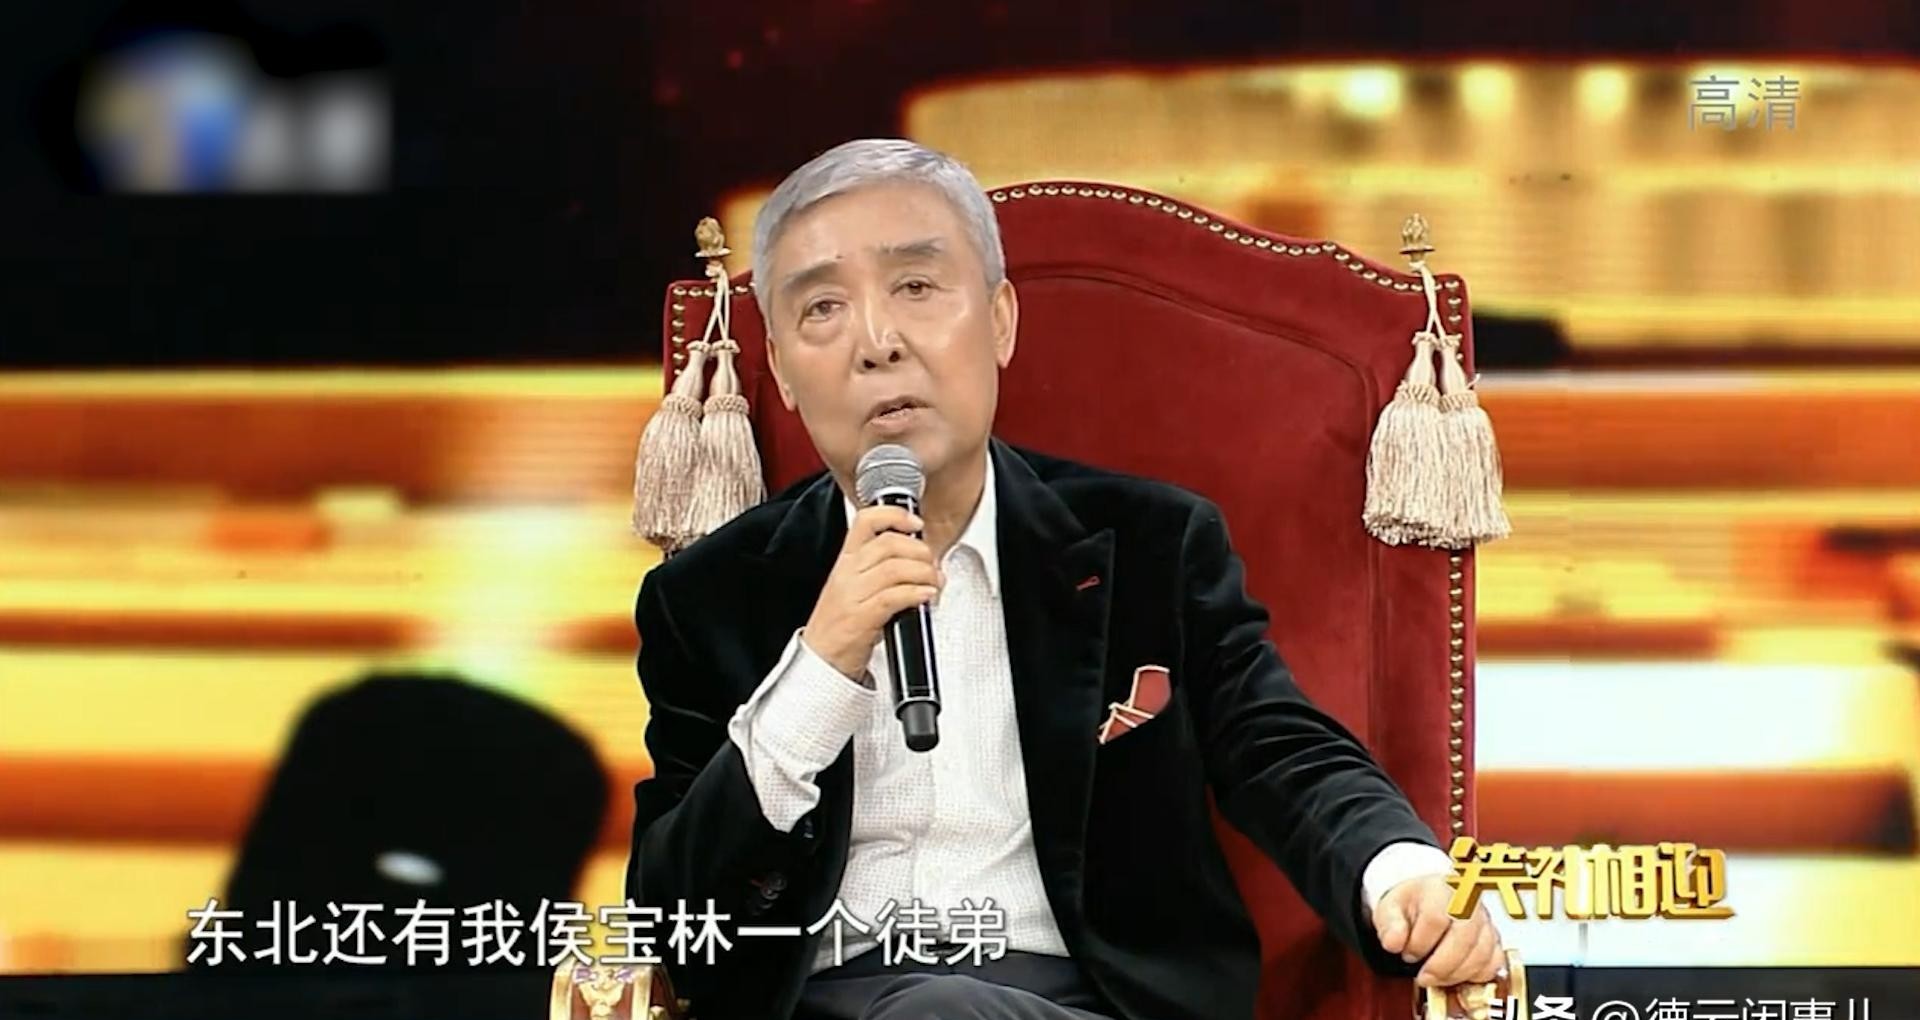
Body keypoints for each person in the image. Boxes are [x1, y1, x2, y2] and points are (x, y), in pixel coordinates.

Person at [625, 138, 1502, 1020]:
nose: (877, 343)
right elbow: (670, 918)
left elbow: (1279, 748)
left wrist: (1401, 872)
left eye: (916, 287)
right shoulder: (709, 599)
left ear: (1000, 321)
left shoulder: (1151, 547)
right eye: (822, 308)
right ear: (779, 370)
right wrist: (819, 670)